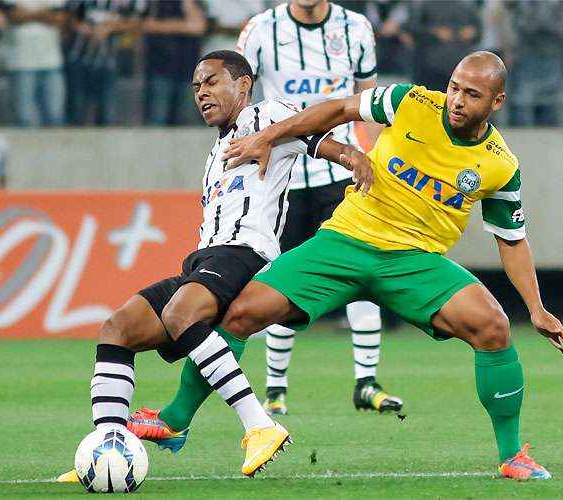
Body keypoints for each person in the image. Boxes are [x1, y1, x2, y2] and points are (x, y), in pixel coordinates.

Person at [219, 51, 563, 480]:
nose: (457, 100)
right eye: (454, 87)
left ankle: (512, 455)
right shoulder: (411, 102)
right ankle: (175, 420)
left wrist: (536, 308)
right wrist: (269, 136)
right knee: (239, 312)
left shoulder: (500, 165)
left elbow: (511, 240)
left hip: (415, 263)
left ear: (496, 102)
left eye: (472, 94)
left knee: (494, 326)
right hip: (346, 241)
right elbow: (339, 108)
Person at [55, 49, 374, 483]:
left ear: (243, 85)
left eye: (211, 82)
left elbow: (314, 135)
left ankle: (260, 424)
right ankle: (109, 448)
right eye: (196, 87)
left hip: (245, 252)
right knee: (118, 328)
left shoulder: (268, 115)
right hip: (205, 257)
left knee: (181, 313)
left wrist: (351, 157)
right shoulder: (216, 151)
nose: (201, 93)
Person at [128, 0, 401, 430]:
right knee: (268, 295)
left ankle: (365, 380)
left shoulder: (358, 28)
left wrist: (362, 155)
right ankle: (274, 391)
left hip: (337, 173)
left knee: (360, 275)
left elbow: (364, 103)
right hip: (279, 176)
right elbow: (236, 89)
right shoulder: (259, 29)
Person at [64, 0, 142, 125]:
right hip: (79, 57)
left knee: (107, 112)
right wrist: (86, 28)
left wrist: (111, 27)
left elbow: (136, 22)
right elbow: (67, 17)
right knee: (77, 110)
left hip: (109, 59)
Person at [141, 0, 207, 125]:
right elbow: (146, 24)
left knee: (188, 122)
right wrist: (182, 26)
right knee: (157, 122)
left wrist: (161, 26)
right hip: (159, 68)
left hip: (188, 69)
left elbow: (197, 26)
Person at [5, 0, 68, 127]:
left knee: (55, 115)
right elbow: (12, 16)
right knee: (25, 117)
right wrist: (43, 14)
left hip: (51, 62)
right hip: (21, 62)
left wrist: (27, 14)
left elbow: (60, 18)